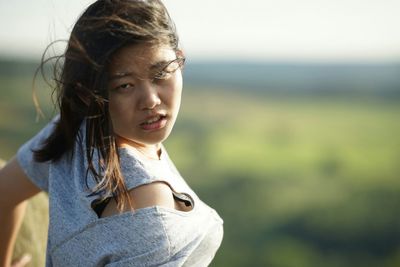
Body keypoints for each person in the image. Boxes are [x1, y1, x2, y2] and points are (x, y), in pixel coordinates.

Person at [0, 0, 224, 266]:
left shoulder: (76, 129)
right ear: (90, 93)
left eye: (161, 72)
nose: (150, 100)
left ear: (180, 58)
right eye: (125, 85)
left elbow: (4, 191)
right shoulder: (152, 210)